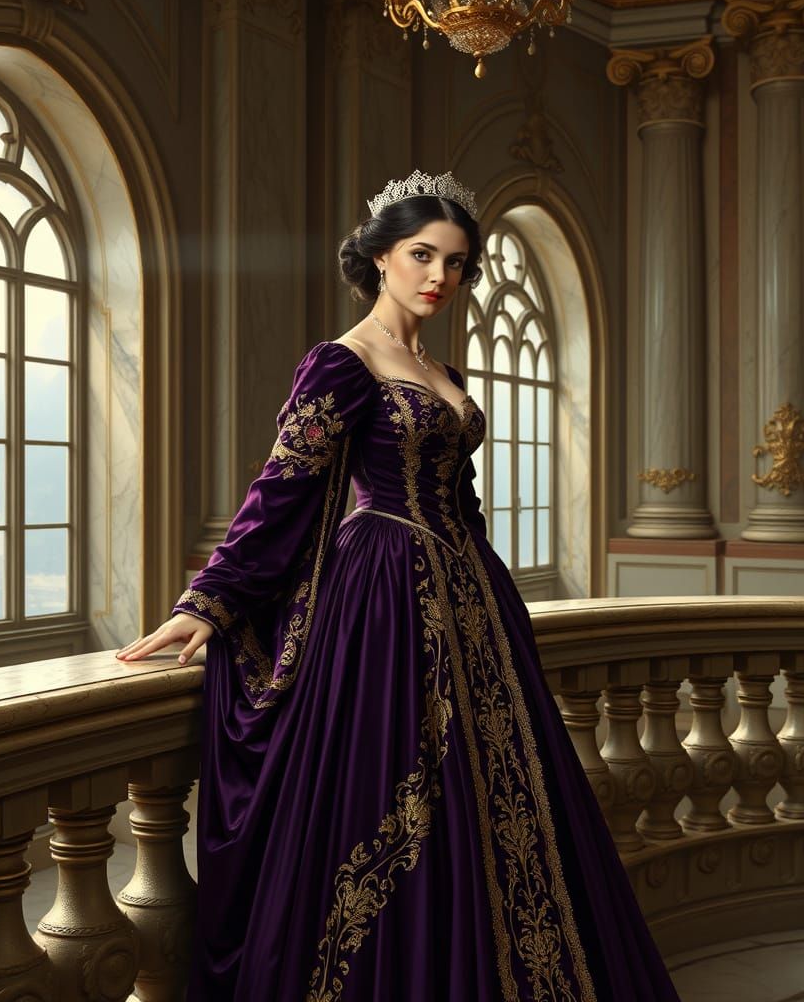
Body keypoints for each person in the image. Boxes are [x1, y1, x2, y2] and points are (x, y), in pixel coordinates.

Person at [116, 170, 680, 1001]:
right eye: (421, 255)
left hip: (474, 602)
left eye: (456, 263)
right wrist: (209, 601)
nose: (439, 278)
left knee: (509, 812)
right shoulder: (340, 364)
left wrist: (498, 605)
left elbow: (460, 498)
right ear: (380, 257)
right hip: (386, 599)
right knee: (411, 802)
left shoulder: (440, 365)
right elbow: (282, 490)